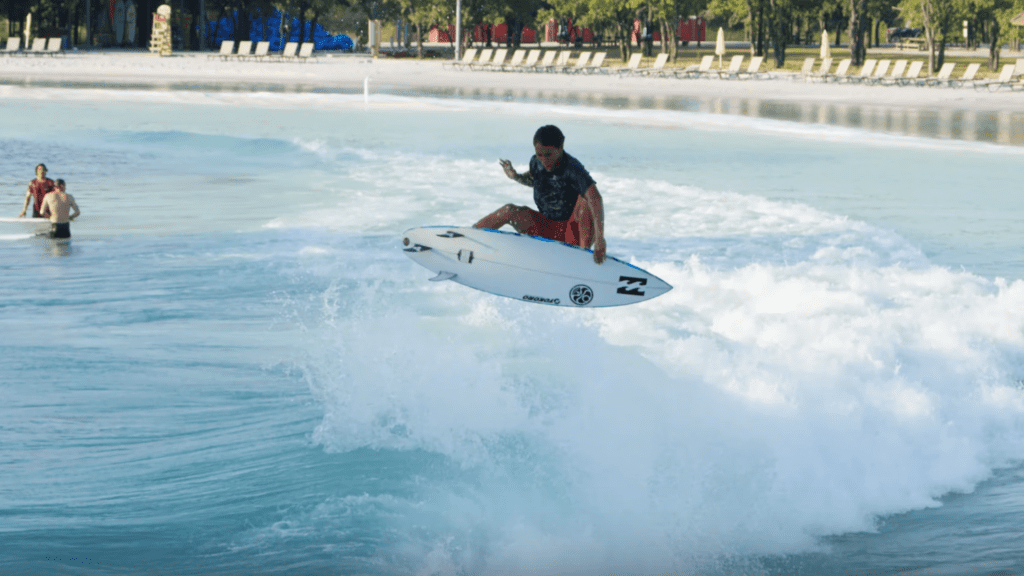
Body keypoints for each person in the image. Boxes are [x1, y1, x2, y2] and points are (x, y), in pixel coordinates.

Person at [474, 125, 607, 264]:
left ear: (560, 147)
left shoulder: (572, 168)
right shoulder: (536, 162)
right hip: (547, 230)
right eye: (540, 154)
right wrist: (516, 176)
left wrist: (600, 239)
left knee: (586, 200)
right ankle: (469, 238)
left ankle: (582, 258)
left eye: (548, 154)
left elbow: (596, 198)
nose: (543, 160)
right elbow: (536, 181)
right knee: (510, 210)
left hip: (573, 234)